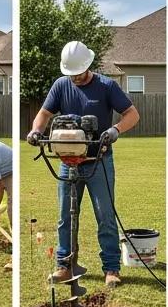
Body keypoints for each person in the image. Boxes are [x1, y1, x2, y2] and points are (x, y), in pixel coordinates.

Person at [25, 40, 140, 287]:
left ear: (87, 65)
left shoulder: (106, 86)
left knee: (105, 216)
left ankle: (111, 269)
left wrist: (115, 130)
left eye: (77, 73)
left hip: (98, 161)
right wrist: (36, 131)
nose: (74, 78)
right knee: (65, 216)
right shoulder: (60, 85)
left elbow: (132, 114)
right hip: (68, 162)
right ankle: (64, 265)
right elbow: (44, 114)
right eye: (70, 74)